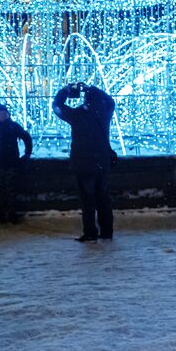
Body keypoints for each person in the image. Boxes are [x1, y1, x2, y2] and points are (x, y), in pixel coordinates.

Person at [52, 81, 117, 242]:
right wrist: (92, 88)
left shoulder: (77, 115)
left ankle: (90, 232)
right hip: (102, 162)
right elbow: (110, 101)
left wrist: (66, 91)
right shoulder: (104, 114)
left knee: (88, 201)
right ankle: (107, 231)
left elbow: (57, 106)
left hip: (83, 163)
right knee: (103, 199)